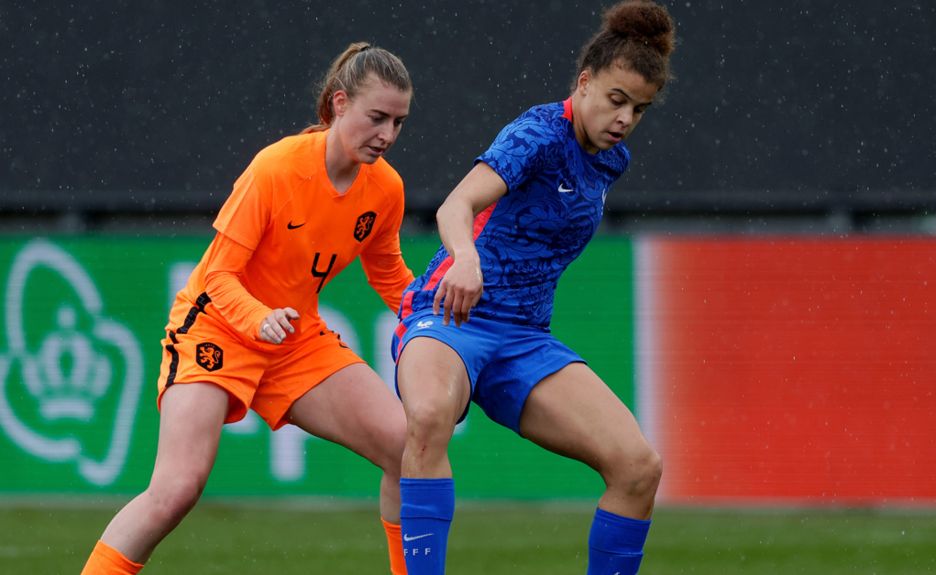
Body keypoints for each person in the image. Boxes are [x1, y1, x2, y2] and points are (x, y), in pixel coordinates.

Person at [81, 42, 415, 575]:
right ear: (339, 104)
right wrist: (257, 317)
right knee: (176, 489)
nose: (388, 136)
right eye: (377, 118)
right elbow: (218, 277)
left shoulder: (386, 189)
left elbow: (389, 274)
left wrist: (433, 317)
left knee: (407, 447)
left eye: (399, 122)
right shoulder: (276, 169)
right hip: (215, 327)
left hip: (292, 338)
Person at [391, 1, 676, 573]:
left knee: (638, 466)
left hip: (524, 341)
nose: (624, 118)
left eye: (638, 109)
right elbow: (457, 205)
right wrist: (465, 259)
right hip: (452, 317)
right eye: (616, 100)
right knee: (426, 417)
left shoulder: (610, 159)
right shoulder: (537, 134)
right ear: (585, 82)